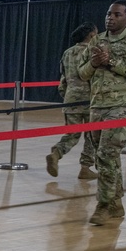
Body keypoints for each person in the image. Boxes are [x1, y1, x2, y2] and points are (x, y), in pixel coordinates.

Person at [78, 0, 126, 226]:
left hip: (123, 105)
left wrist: (111, 62)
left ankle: (103, 205)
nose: (110, 18)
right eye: (108, 13)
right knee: (106, 160)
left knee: (106, 154)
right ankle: (116, 203)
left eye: (117, 14)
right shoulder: (97, 40)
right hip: (97, 106)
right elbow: (82, 74)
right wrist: (93, 63)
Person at [47, 22, 99, 181]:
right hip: (91, 100)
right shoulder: (94, 52)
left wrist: (66, 95)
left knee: (72, 134)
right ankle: (85, 168)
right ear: (91, 35)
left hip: (71, 99)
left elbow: (63, 77)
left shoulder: (67, 53)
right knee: (92, 135)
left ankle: (56, 154)